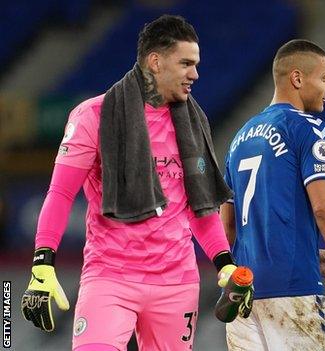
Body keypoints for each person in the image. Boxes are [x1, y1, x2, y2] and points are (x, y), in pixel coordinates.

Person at [20, 15, 248, 351]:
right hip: (110, 277)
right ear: (155, 62)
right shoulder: (93, 116)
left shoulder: (193, 122)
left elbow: (199, 207)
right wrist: (42, 262)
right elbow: (60, 193)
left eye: (196, 64)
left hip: (177, 283)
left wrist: (225, 263)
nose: (195, 74)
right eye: (186, 63)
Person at [220, 39, 325, 350]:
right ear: (297, 78)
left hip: (242, 293)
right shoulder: (308, 128)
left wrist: (304, 249)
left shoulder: (239, 139)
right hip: (293, 288)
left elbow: (227, 227)